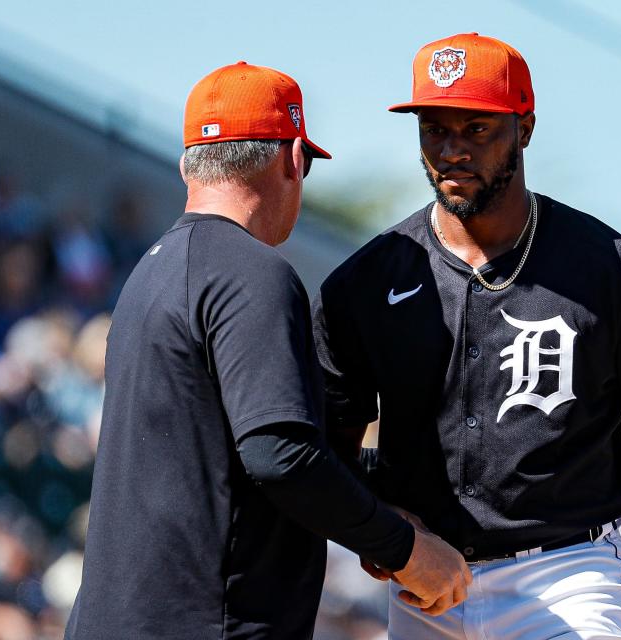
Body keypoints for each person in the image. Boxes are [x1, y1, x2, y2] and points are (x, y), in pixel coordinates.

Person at [312, 34, 621, 639]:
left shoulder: (610, 268)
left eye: (477, 129)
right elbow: (326, 456)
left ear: (525, 127)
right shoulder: (367, 282)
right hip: (428, 584)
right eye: (434, 129)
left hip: (568, 574)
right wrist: (384, 525)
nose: (452, 150)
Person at [65, 62, 470, 640]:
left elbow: (232, 456)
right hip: (208, 624)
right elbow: (279, 454)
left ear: (189, 166)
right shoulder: (250, 273)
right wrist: (405, 549)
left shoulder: (148, 273)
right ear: (291, 159)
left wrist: (375, 504)